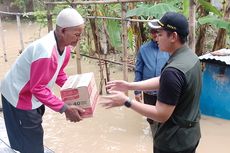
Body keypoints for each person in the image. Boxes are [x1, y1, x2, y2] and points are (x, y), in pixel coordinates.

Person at [100, 12, 202, 153]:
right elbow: (164, 81)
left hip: (173, 143)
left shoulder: (173, 71)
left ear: (173, 37)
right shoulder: (190, 57)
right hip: (190, 135)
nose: (156, 38)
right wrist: (130, 85)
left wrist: (126, 101)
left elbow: (161, 114)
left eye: (160, 34)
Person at [0, 8, 85, 153]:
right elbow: (38, 88)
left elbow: (58, 74)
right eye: (76, 34)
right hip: (18, 95)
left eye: (80, 35)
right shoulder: (45, 52)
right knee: (30, 141)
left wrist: (75, 89)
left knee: (32, 135)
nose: (79, 38)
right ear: (63, 31)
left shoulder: (66, 48)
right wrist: (65, 108)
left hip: (32, 94)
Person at [134, 21, 169, 137]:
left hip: (164, 90)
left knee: (165, 116)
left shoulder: (168, 48)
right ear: (150, 33)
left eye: (158, 32)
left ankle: (161, 136)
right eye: (153, 32)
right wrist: (137, 91)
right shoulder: (143, 49)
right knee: (150, 117)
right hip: (148, 91)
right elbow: (138, 70)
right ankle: (154, 136)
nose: (155, 35)